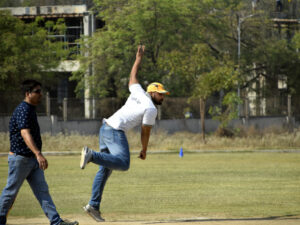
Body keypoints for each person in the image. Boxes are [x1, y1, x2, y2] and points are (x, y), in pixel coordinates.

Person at [80, 45, 169, 222]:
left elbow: (132, 76)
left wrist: (138, 59)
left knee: (105, 169)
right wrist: (144, 149)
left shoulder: (138, 91)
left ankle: (93, 206)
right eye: (160, 94)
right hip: (114, 130)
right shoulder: (151, 108)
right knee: (123, 163)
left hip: (105, 127)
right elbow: (145, 131)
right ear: (152, 92)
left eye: (163, 94)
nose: (163, 97)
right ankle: (91, 155)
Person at [0, 80, 78, 225]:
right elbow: (25, 133)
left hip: (31, 161)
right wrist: (38, 153)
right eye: (37, 91)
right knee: (11, 192)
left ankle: (56, 221)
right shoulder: (23, 109)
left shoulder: (30, 109)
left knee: (42, 191)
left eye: (40, 91)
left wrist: (36, 156)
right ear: (27, 94)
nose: (40, 94)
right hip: (21, 160)